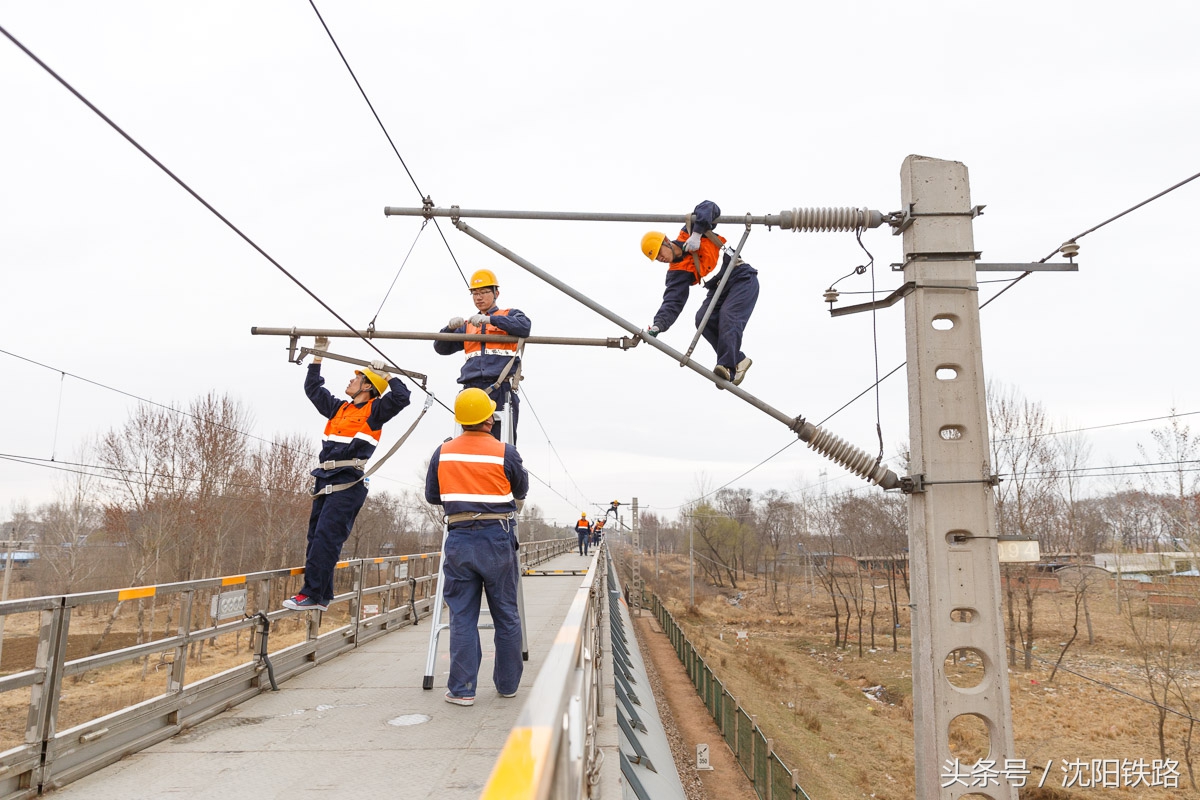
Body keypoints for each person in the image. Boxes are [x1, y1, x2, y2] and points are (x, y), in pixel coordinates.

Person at [284, 337, 411, 612]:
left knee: (326, 538)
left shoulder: (374, 411)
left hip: (347, 482)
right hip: (325, 479)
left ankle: (312, 593)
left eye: (356, 379)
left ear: (367, 386)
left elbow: (402, 398)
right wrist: (318, 355)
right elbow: (313, 389)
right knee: (316, 537)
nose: (350, 382)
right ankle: (320, 594)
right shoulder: (338, 408)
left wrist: (387, 376)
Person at [425, 388, 529, 707]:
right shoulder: (505, 452)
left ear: (460, 421)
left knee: (462, 615)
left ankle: (462, 689)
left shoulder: (443, 452)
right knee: (506, 614)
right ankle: (508, 684)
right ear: (489, 419)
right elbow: (520, 488)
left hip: (458, 537)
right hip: (496, 537)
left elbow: (433, 496)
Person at [640, 200, 760, 387]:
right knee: (703, 318)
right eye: (656, 258)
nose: (661, 259)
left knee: (729, 316)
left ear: (666, 241)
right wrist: (658, 325)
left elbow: (709, 206)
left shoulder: (689, 229)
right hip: (718, 289)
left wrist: (696, 233)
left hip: (740, 278)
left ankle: (728, 366)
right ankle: (737, 360)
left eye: (659, 252)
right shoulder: (677, 271)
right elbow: (672, 300)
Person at [434, 269, 532, 443]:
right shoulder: (468, 326)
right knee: (468, 441)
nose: (479, 297)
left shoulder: (509, 315)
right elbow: (441, 348)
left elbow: (524, 327)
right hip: (471, 388)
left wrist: (491, 320)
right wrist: (448, 329)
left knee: (499, 442)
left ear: (496, 293)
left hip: (500, 387)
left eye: (484, 292)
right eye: (475, 293)